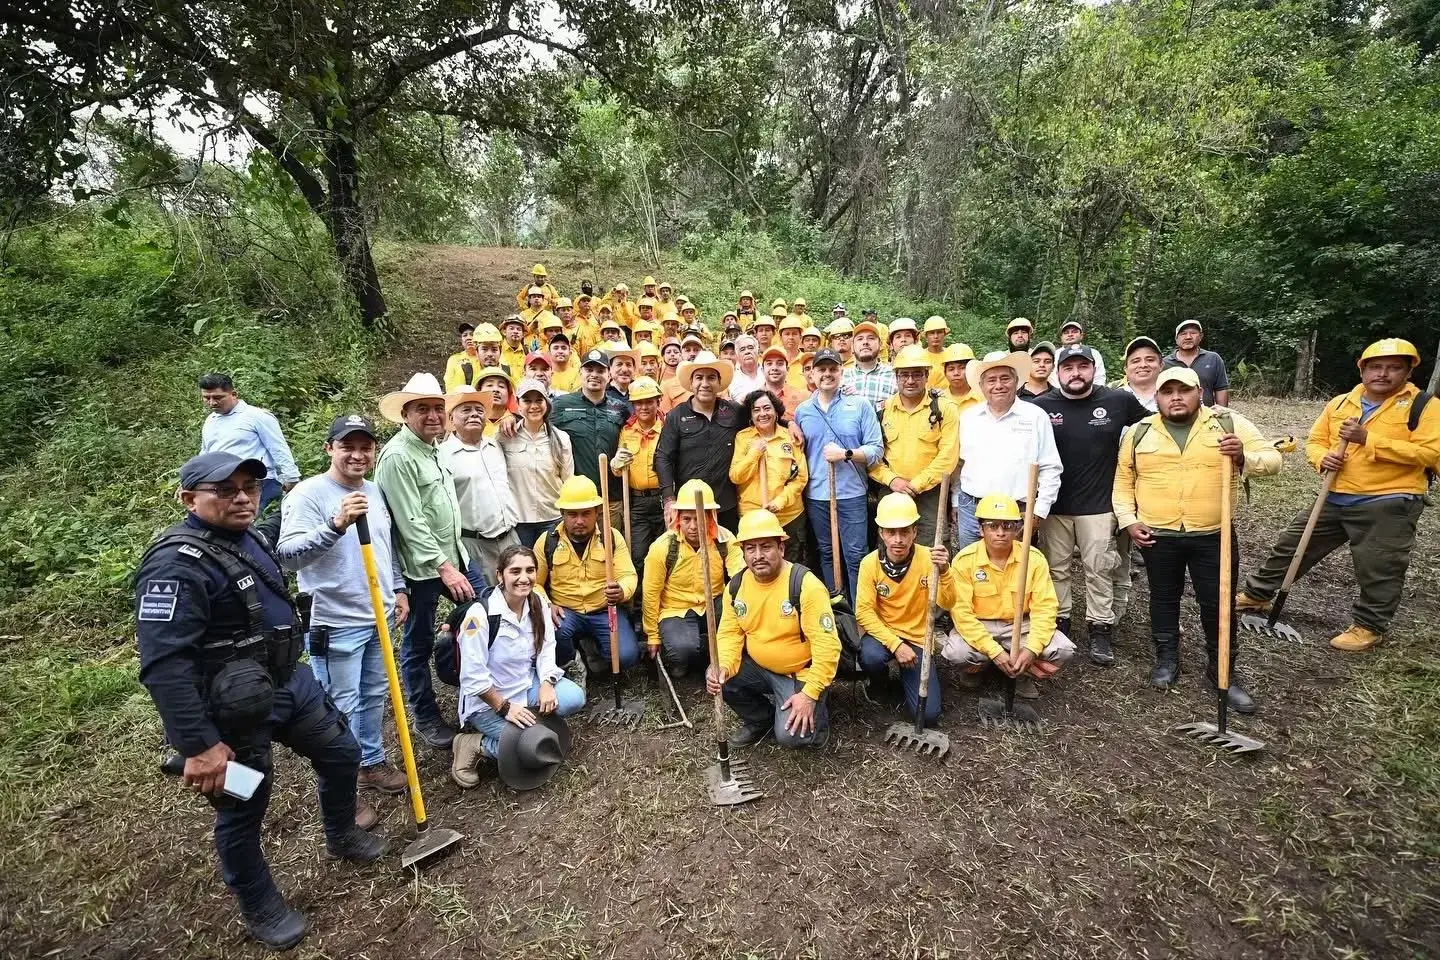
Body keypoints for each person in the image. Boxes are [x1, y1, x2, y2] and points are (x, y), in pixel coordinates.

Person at [137, 452, 382, 950]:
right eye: (225, 490)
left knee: (342, 753)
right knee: (245, 804)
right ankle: (260, 904)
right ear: (190, 499)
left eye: (248, 486)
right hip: (232, 711)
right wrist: (199, 745)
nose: (242, 497)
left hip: (289, 681)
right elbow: (164, 665)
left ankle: (341, 833)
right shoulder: (175, 565)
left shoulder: (247, 537)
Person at [1237, 338, 1440, 651]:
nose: (1383, 374)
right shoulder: (1341, 403)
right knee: (1292, 545)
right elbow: (1316, 441)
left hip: (1388, 501)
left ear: (1408, 372)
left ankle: (1369, 626)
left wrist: (1368, 440)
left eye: (1393, 368)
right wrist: (1322, 458)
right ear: (1363, 369)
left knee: (1379, 566)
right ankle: (1259, 595)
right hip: (1334, 495)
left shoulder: (1424, 406)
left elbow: (1431, 454)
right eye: (1376, 367)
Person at [1112, 367, 1281, 707]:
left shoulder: (1227, 423)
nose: (1176, 397)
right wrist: (1129, 521)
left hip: (1213, 534)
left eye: (1184, 390)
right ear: (1157, 397)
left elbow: (1274, 460)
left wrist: (1242, 457)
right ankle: (1166, 659)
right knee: (1163, 598)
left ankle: (1222, 671)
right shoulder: (1139, 433)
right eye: (1167, 391)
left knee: (1217, 603)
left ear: (1199, 392)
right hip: (1158, 533)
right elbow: (1123, 481)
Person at [278, 415, 411, 825]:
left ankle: (369, 763)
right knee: (338, 708)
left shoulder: (373, 490)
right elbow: (287, 555)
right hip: (334, 622)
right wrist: (335, 525)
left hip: (378, 615)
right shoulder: (308, 495)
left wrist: (399, 587)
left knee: (373, 696)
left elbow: (385, 546)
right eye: (347, 446)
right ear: (329, 449)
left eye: (365, 447)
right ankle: (342, 791)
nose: (357, 454)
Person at [1030, 345, 1150, 664]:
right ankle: (1061, 623)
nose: (1076, 374)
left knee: (1099, 569)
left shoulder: (1117, 400)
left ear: (1093, 369)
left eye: (1082, 367)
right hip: (1054, 506)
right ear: (1057, 373)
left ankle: (1100, 629)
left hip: (1099, 505)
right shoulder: (1041, 407)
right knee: (1056, 570)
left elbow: (1154, 426)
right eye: (1068, 368)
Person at [374, 373, 471, 749]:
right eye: (422, 409)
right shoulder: (398, 457)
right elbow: (410, 521)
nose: (432, 415)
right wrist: (443, 568)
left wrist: (454, 560)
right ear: (405, 414)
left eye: (436, 408)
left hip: (454, 554)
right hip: (423, 570)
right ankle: (425, 717)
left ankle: (467, 677)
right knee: (415, 644)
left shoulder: (434, 447)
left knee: (479, 612)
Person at [449, 544, 586, 788]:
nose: (524, 578)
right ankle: (475, 744)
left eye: (530, 570)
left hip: (525, 684)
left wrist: (546, 683)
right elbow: (472, 678)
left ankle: (528, 722)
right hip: (488, 702)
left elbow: (546, 648)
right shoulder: (479, 617)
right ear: (500, 575)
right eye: (515, 571)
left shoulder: (537, 603)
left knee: (573, 697)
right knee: (526, 745)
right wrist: (504, 708)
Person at [707, 510, 840, 749]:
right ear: (743, 552)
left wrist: (809, 694)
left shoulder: (805, 585)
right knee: (721, 677)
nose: (758, 556)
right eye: (750, 548)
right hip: (760, 667)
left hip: (800, 672)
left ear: (781, 548)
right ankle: (761, 720)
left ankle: (817, 715)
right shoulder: (736, 587)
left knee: (791, 738)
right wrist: (723, 665)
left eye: (766, 547)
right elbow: (729, 634)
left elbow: (827, 647)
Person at [940, 494, 1074, 700]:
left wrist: (1031, 649)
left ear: (1018, 528)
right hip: (981, 625)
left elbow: (1045, 609)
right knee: (958, 653)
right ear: (981, 529)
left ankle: (1024, 672)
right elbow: (962, 615)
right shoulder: (965, 561)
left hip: (1022, 626)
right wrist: (994, 651)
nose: (1000, 533)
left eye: (1007, 526)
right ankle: (979, 668)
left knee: (1062, 650)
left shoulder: (1034, 560)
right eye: (993, 526)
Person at [794, 348, 885, 603]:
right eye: (821, 369)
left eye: (832, 369)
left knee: (856, 554)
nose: (827, 374)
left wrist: (846, 453)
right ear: (811, 374)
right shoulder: (803, 411)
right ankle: (837, 605)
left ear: (841, 372)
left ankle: (860, 610)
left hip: (851, 493)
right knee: (825, 551)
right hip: (817, 494)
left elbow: (876, 449)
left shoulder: (859, 405)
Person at [856, 493, 959, 717]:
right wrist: (895, 645)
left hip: (917, 636)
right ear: (881, 533)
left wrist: (945, 572)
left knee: (928, 715)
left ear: (915, 532)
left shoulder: (929, 560)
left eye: (904, 531)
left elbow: (948, 602)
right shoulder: (869, 564)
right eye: (891, 532)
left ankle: (908, 675)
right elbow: (863, 613)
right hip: (884, 635)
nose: (898, 540)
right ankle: (879, 684)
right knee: (870, 656)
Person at [953, 351, 1062, 549]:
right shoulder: (968, 418)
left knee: (1015, 572)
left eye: (1005, 378)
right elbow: (958, 465)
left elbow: (1050, 467)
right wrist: (955, 501)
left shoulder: (1035, 416)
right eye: (991, 380)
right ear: (981, 386)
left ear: (1017, 381)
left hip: (1018, 511)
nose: (998, 385)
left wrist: (1039, 511)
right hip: (972, 509)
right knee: (971, 570)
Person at [534, 476, 641, 671]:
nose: (579, 521)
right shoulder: (547, 541)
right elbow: (535, 584)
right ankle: (572, 663)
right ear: (562, 513)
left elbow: (629, 575)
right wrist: (547, 604)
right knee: (557, 635)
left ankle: (593, 646)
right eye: (572, 515)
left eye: (586, 514)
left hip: (604, 611)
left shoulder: (612, 538)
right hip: (567, 613)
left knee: (626, 657)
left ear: (597, 512)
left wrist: (621, 591)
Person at [642, 479, 747, 676]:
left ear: (710, 517)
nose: (693, 526)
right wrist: (652, 635)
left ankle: (720, 651)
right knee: (683, 651)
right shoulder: (663, 547)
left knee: (742, 617)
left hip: (715, 603)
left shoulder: (724, 540)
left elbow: (740, 579)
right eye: (687, 519)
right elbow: (651, 593)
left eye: (699, 518)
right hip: (676, 609)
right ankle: (687, 652)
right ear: (678, 518)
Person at [871, 345, 960, 545]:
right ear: (896, 376)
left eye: (917, 374)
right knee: (892, 548)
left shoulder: (945, 409)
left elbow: (948, 456)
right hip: (891, 489)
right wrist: (892, 480)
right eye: (904, 375)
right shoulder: (882, 411)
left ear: (927, 375)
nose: (910, 380)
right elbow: (872, 455)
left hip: (931, 492)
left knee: (932, 548)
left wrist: (916, 485)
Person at [441, 387, 520, 590]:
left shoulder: (495, 445)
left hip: (509, 536)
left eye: (479, 409)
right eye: (466, 410)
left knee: (518, 593)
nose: (474, 414)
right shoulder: (443, 455)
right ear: (452, 418)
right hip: (475, 543)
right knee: (487, 603)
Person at [655, 351, 743, 531]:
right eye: (699, 378)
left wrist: (789, 423)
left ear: (719, 383)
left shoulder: (734, 412)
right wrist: (669, 499)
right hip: (689, 507)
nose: (705, 384)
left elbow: (763, 418)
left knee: (728, 555)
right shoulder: (676, 416)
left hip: (726, 505)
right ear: (691, 383)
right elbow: (663, 457)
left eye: (711, 378)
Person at [198, 374, 300, 512]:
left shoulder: (256, 416)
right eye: (207, 398)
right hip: (224, 484)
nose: (212, 403)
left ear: (233, 394)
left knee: (256, 527)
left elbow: (278, 447)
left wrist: (291, 477)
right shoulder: (211, 420)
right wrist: (195, 479)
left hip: (259, 483)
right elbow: (206, 453)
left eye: (218, 397)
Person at [730, 388, 810, 558]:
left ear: (776, 411)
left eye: (767, 408)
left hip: (789, 518)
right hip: (753, 517)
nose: (762, 414)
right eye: (756, 410)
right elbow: (736, 476)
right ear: (750, 415)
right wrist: (754, 453)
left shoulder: (790, 437)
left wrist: (780, 502)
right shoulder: (742, 438)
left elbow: (800, 477)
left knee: (792, 567)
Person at [550, 348, 630, 510]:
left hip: (612, 497)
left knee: (612, 536)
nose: (594, 374)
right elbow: (536, 426)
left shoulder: (620, 408)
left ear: (609, 376)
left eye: (600, 370)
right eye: (589, 369)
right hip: (577, 498)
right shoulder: (560, 405)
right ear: (580, 372)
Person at [500, 378, 575, 548]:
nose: (534, 406)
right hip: (519, 521)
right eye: (527, 400)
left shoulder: (561, 438)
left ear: (547, 403)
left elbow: (568, 480)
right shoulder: (506, 437)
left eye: (539, 400)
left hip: (552, 518)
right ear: (518, 404)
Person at [613, 376, 667, 572]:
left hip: (664, 499)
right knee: (637, 555)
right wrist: (616, 464)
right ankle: (638, 601)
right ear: (633, 405)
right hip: (638, 503)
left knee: (665, 554)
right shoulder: (626, 432)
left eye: (649, 402)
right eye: (639, 403)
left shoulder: (668, 429)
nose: (644, 407)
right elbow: (618, 471)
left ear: (658, 402)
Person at [1165, 321, 1230, 406]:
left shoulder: (1213, 359)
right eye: (1183, 334)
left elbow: (1221, 388)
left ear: (1200, 337)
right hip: (1174, 416)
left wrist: (1222, 414)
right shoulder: (1164, 363)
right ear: (1176, 338)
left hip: (1207, 416)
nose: (1188, 337)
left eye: (1193, 333)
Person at [841, 319, 895, 410]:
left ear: (880, 345)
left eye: (871, 338)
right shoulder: (841, 377)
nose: (865, 342)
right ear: (852, 347)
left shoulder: (894, 375)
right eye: (860, 339)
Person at [1050, 321, 1107, 386]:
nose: (1070, 335)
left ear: (1081, 335)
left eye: (1074, 332)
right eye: (1066, 333)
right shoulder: (1054, 354)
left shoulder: (1093, 353)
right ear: (1061, 337)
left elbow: (1099, 378)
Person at [1120, 336, 1164, 411]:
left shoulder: (1174, 397)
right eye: (1136, 361)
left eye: (1150, 360)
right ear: (1126, 369)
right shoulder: (1113, 398)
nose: (1143, 365)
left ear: (1161, 365)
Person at [939, 342, 980, 413]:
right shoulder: (938, 399)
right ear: (945, 372)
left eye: (962, 368)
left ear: (970, 369)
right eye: (951, 369)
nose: (956, 373)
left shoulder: (982, 397)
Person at [443, 322, 483, 393]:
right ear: (462, 341)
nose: (468, 338)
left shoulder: (486, 358)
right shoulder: (454, 359)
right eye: (465, 335)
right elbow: (449, 384)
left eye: (472, 334)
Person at [729, 333, 765, 400]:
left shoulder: (768, 372)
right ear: (737, 355)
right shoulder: (731, 380)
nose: (747, 352)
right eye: (742, 349)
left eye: (750, 348)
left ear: (757, 351)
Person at [921, 316, 949, 388]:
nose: (936, 336)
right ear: (926, 336)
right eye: (932, 333)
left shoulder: (951, 355)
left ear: (945, 334)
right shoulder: (920, 357)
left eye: (939, 332)